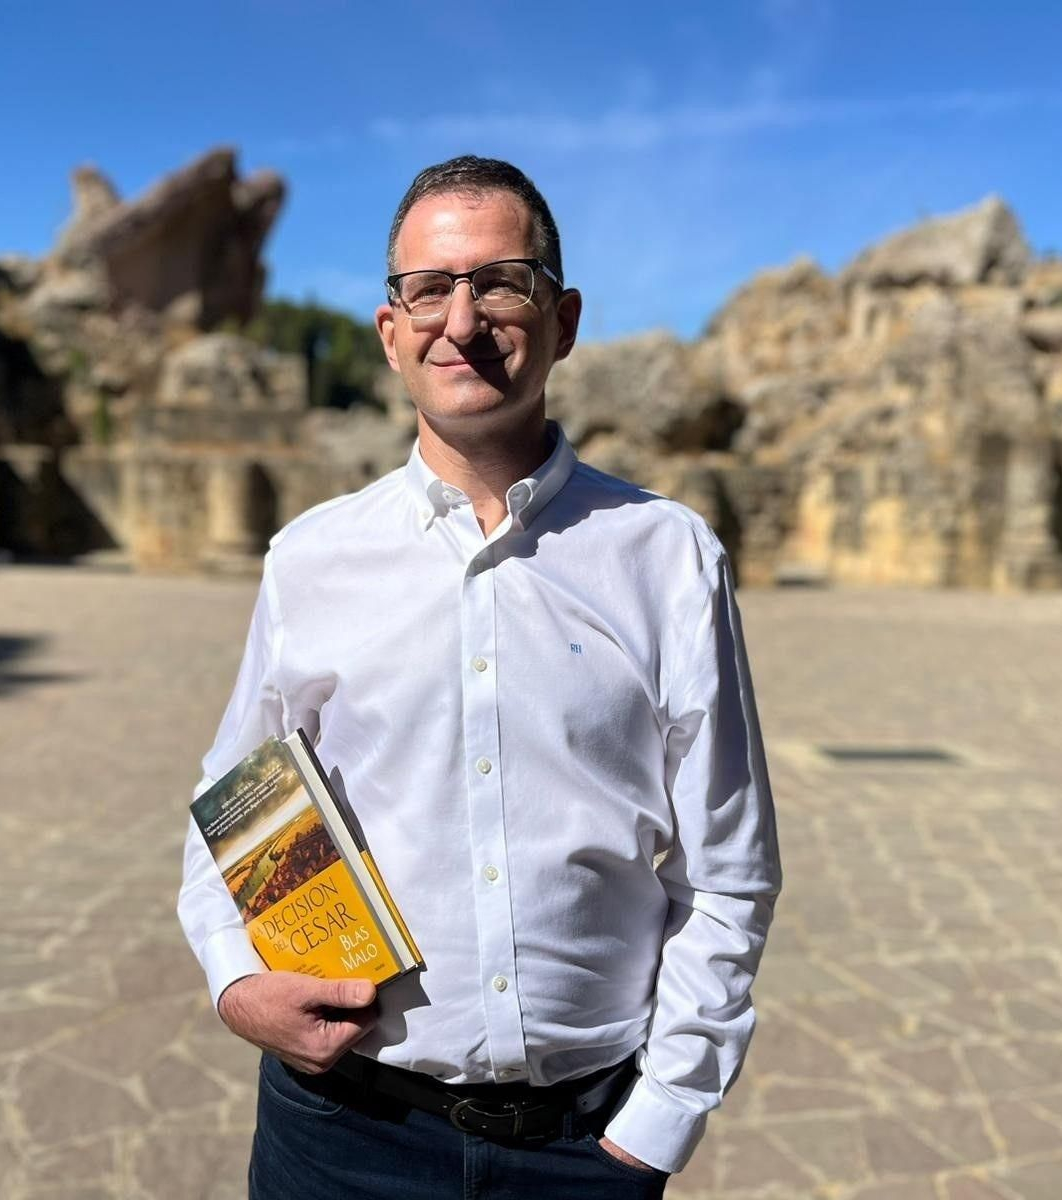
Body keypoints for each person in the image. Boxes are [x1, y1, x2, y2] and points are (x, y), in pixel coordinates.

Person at [178, 156, 781, 1199]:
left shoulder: (668, 555)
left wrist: (660, 1123)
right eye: (429, 288)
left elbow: (725, 869)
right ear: (389, 330)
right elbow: (239, 807)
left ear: (563, 318)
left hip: (583, 1150)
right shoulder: (311, 559)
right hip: (340, 1132)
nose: (461, 319)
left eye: (499, 281)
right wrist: (237, 983)